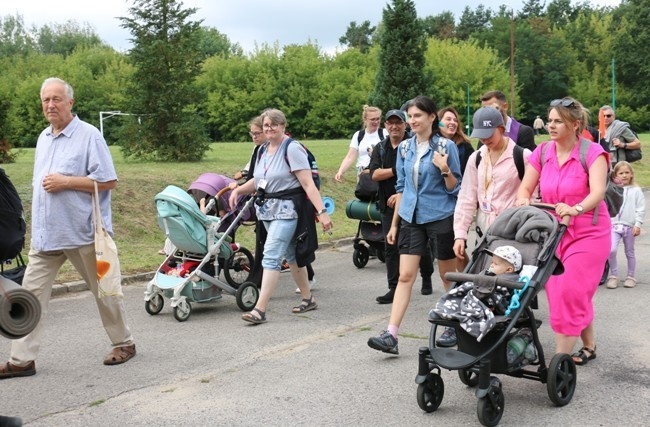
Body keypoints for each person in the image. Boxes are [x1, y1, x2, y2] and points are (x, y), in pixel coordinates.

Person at [0, 77, 135, 380]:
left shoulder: (89, 136)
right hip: (47, 236)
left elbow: (109, 180)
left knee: (104, 292)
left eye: (57, 99)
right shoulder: (43, 137)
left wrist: (67, 182)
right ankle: (22, 360)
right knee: (29, 297)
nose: (51, 104)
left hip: (83, 233)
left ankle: (124, 343)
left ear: (70, 102)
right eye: (46, 99)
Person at [516, 96, 610, 366]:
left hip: (589, 231)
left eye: (558, 121)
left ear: (575, 124)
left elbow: (598, 192)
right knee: (563, 289)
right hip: (555, 231)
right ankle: (589, 346)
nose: (551, 126)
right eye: (549, 121)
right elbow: (525, 186)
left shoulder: (592, 153)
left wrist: (576, 209)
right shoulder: (543, 152)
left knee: (569, 288)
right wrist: (523, 198)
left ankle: (560, 358)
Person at [367, 95, 461, 355]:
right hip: (411, 218)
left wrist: (444, 169)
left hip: (440, 215)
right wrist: (395, 224)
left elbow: (456, 188)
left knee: (446, 275)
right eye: (411, 116)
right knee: (405, 276)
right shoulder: (405, 148)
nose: (412, 120)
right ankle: (391, 334)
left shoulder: (446, 146)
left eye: (418, 115)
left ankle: (452, 325)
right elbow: (402, 189)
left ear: (432, 117)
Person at [228, 109, 332, 324]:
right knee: (291, 255)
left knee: (272, 254)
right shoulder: (262, 150)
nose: (269, 129)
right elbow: (258, 181)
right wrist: (238, 190)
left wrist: (322, 212)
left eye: (274, 125)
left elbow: (307, 184)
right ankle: (307, 298)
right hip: (267, 210)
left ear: (283, 126)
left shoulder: (292, 148)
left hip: (288, 210)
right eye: (266, 125)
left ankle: (260, 309)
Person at [447, 107, 532, 347]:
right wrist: (460, 235)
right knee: (480, 282)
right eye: (480, 134)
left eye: (489, 133)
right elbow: (466, 198)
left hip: (512, 233)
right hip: (483, 232)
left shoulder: (521, 156)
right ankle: (474, 329)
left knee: (506, 287)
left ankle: (508, 333)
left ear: (502, 129)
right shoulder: (477, 157)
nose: (485, 139)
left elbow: (533, 194)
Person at [368, 109, 434, 304]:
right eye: (390, 123)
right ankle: (394, 287)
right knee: (391, 245)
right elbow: (373, 174)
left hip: (414, 204)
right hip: (387, 204)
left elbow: (418, 173)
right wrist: (397, 170)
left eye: (398, 122)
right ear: (385, 126)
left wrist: (401, 194)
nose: (394, 126)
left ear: (405, 125)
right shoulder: (381, 147)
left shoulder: (412, 146)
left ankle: (427, 275)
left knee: (418, 244)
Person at [432, 246, 522, 342]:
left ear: (509, 270)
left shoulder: (510, 280)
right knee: (461, 293)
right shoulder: (489, 273)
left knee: (473, 302)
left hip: (490, 303)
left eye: (495, 264)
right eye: (492, 262)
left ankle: (454, 316)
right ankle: (447, 312)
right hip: (477, 295)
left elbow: (500, 296)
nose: (491, 265)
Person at [606, 161, 645, 289]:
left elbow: (640, 208)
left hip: (629, 226)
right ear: (615, 175)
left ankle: (631, 276)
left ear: (631, 174)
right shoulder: (612, 189)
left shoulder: (636, 190)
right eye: (621, 173)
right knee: (611, 250)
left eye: (627, 172)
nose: (624, 175)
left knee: (629, 251)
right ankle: (614, 275)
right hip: (614, 225)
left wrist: (638, 224)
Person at [335, 105, 384, 182]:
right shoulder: (358, 135)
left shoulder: (384, 133)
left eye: (378, 119)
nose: (376, 122)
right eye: (372, 119)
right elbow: (350, 157)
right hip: (362, 175)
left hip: (380, 174)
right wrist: (340, 171)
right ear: (365, 119)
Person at [438, 106, 475, 175]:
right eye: (448, 119)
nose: (453, 122)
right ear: (438, 123)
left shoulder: (465, 146)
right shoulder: (431, 143)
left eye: (455, 120)